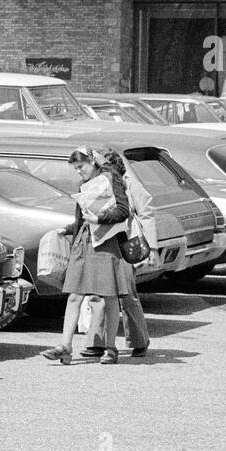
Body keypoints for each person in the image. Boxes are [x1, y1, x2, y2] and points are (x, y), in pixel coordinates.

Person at [41, 146, 135, 365]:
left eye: (81, 166)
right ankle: (65, 346)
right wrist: (68, 229)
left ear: (92, 162)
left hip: (106, 242)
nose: (79, 172)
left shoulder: (111, 179)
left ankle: (110, 348)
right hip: (85, 242)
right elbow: (83, 217)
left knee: (109, 296)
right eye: (75, 168)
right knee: (74, 295)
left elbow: (123, 210)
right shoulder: (84, 185)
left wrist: (100, 219)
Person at [81, 152, 151, 359]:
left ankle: (139, 340)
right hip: (102, 242)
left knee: (126, 294)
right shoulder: (94, 184)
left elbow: (145, 213)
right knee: (98, 294)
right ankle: (96, 342)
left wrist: (153, 249)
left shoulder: (128, 184)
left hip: (124, 244)